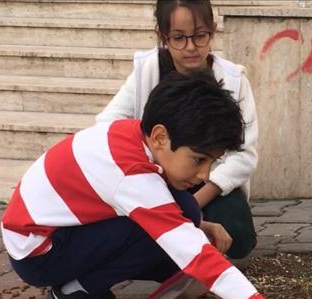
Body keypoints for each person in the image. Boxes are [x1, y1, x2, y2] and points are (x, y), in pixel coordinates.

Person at [2, 72, 312, 299]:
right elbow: (203, 260)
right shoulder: (132, 176)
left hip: (58, 234)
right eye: (198, 160)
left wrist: (199, 225)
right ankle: (72, 294)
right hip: (40, 252)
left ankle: (88, 280)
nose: (205, 174)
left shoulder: (134, 137)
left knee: (188, 212)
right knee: (175, 237)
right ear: (161, 137)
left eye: (211, 162)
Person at [96, 0, 258, 260]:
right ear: (163, 36)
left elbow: (244, 155)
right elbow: (107, 125)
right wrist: (149, 165)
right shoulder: (147, 71)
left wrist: (195, 202)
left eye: (200, 36)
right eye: (179, 38)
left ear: (213, 31)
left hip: (208, 183)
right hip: (157, 179)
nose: (191, 47)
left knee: (237, 236)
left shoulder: (233, 80)